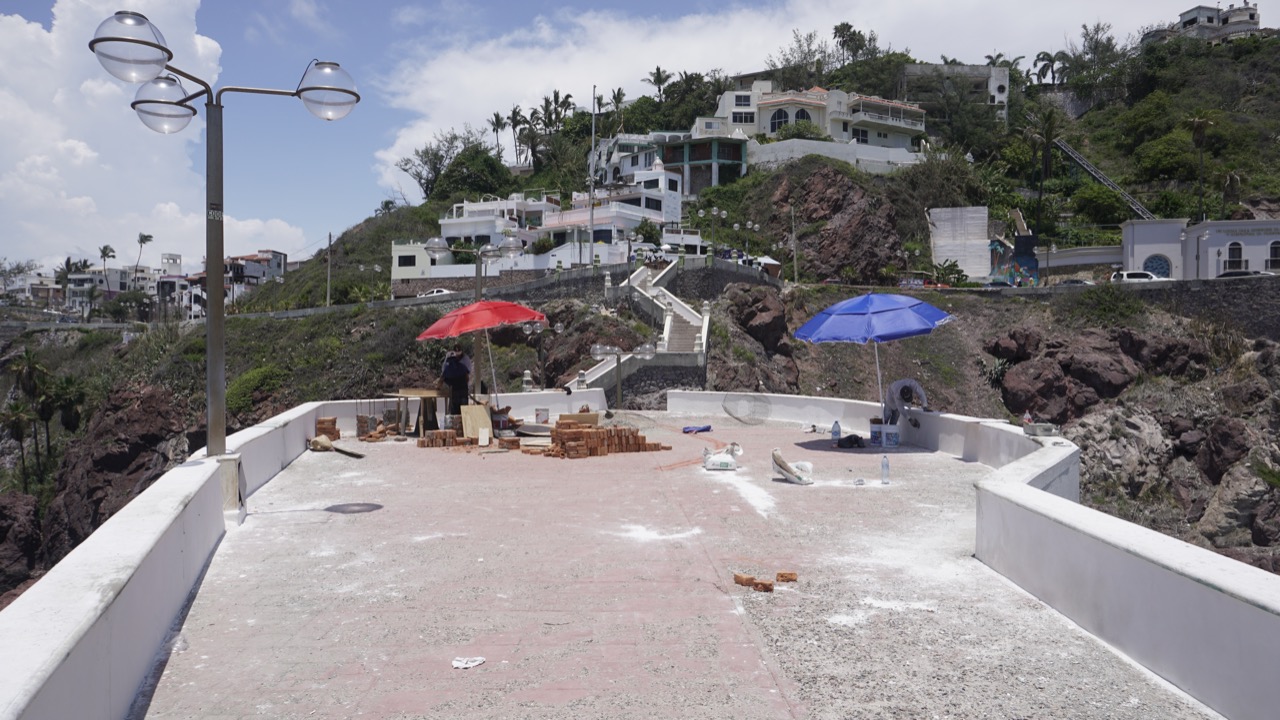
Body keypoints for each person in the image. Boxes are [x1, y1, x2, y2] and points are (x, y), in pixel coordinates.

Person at [441, 344, 473, 415]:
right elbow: (467, 377)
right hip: (462, 391)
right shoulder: (462, 367)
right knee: (463, 413)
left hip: (456, 392)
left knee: (455, 413)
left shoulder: (450, 367)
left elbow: (443, 377)